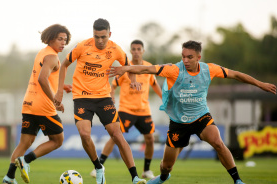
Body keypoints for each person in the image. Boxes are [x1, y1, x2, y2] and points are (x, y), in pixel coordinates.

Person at [106, 40, 277, 184]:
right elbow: (146, 69)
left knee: (218, 142)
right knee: (166, 166)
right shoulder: (174, 69)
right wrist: (126, 69)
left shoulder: (209, 69)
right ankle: (163, 178)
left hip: (201, 116)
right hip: (178, 122)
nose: (185, 60)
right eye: (183, 56)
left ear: (198, 57)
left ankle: (237, 180)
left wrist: (260, 84)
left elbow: (236, 75)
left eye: (190, 57)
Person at [53, 19, 146, 184]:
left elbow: (128, 66)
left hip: (104, 98)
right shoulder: (82, 46)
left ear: (109, 34)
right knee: (84, 134)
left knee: (117, 135)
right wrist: (59, 90)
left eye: (103, 37)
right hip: (82, 98)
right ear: (93, 35)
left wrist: (133, 79)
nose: (100, 40)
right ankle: (98, 166)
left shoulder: (115, 49)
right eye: (97, 37)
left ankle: (135, 177)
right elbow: (64, 65)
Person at [2, 24, 72, 184]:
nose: (63, 43)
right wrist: (55, 99)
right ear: (50, 38)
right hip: (43, 106)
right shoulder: (53, 57)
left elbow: (45, 77)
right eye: (60, 39)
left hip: (28, 103)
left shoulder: (43, 53)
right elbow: (42, 79)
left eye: (65, 40)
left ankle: (9, 178)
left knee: (24, 142)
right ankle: (26, 161)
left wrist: (61, 87)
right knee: (58, 140)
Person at [90, 40, 162, 179]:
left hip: (144, 110)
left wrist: (164, 99)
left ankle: (146, 170)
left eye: (138, 49)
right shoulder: (125, 67)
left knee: (150, 139)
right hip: (126, 110)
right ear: (130, 51)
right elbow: (113, 85)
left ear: (143, 51)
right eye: (133, 49)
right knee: (114, 136)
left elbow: (154, 84)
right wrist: (111, 98)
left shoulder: (148, 67)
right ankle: (99, 166)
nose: (136, 51)